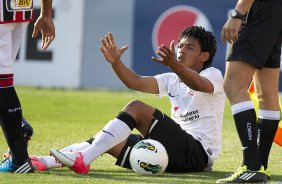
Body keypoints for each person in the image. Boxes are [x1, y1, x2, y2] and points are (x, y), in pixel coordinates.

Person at [29, 26, 226, 175]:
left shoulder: (213, 74)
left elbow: (199, 84)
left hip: (197, 155)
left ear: (204, 56)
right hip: (172, 154)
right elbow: (135, 81)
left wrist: (175, 65)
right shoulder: (172, 79)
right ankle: (45, 162)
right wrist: (116, 63)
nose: (182, 50)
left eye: (189, 47)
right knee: (107, 139)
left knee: (136, 108)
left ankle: (84, 159)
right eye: (180, 45)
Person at [217, 0, 282, 183]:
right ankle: (261, 167)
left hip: (258, 9)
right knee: (266, 93)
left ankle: (252, 165)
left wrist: (237, 14)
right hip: (275, 11)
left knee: (233, 85)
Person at [0, 0, 55, 173]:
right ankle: (19, 126)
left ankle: (19, 160)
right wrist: (46, 13)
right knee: (3, 78)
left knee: (2, 81)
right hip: (19, 7)